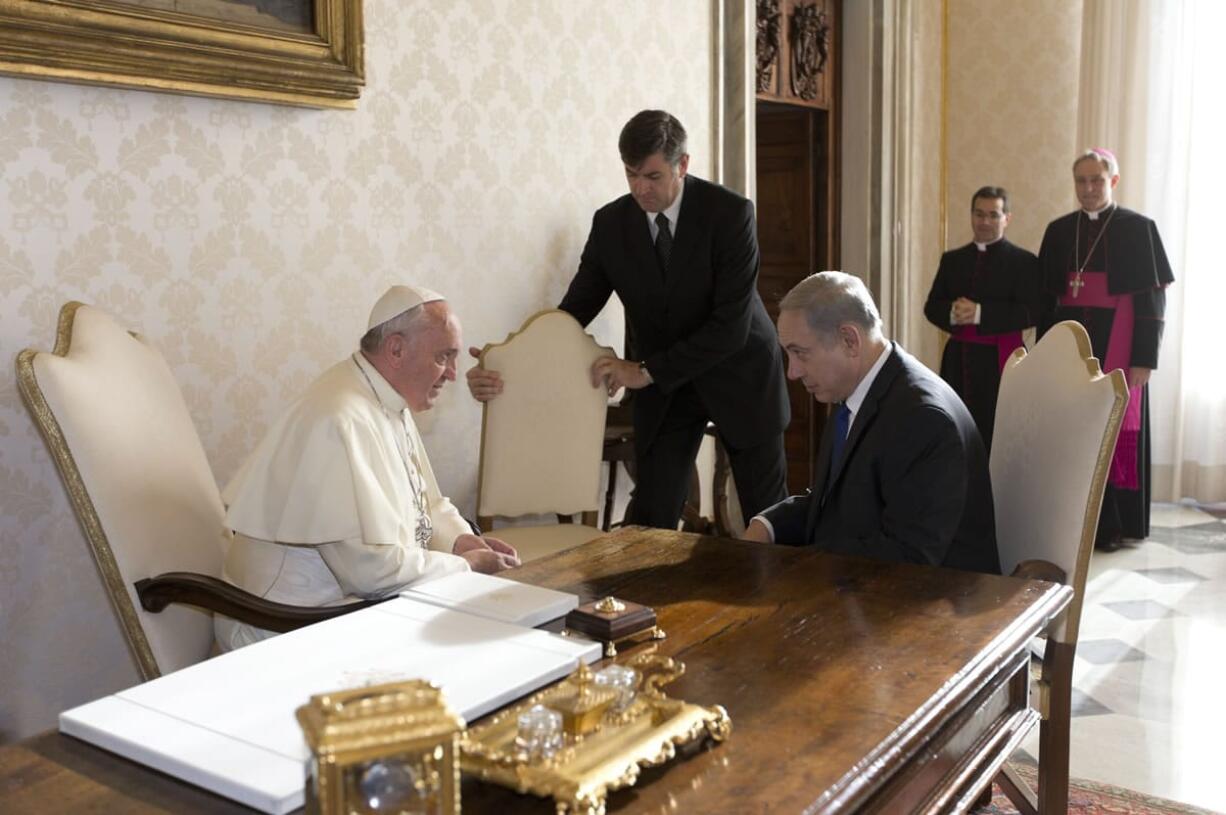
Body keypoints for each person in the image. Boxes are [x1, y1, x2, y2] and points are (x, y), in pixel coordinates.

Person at [467, 110, 789, 529]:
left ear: (683, 165)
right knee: (651, 514)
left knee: (768, 517)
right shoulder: (611, 225)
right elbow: (572, 313)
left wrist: (644, 370)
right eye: (631, 174)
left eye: (652, 177)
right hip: (667, 388)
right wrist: (508, 361)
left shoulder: (730, 215)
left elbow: (730, 327)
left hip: (739, 373)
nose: (640, 189)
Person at [216, 285, 520, 651]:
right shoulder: (339, 418)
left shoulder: (386, 399)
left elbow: (426, 503)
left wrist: (460, 540)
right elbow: (372, 573)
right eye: (444, 357)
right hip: (283, 629)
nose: (454, 374)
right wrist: (467, 567)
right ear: (396, 349)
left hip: (342, 612)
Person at [743, 271, 999, 574]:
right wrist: (767, 526)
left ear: (850, 340)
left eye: (800, 354)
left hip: (936, 604)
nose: (792, 372)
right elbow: (835, 502)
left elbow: (906, 557)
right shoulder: (858, 392)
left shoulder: (922, 419)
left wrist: (794, 567)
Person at [1038, 148, 1174, 551]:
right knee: (1076, 428)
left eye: (1097, 180)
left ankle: (1114, 524)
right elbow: (1047, 300)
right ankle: (1072, 518)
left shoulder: (1138, 228)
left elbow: (1152, 303)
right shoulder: (1060, 230)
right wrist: (1046, 356)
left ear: (1113, 181)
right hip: (1074, 339)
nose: (1089, 189)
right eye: (1081, 181)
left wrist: (1144, 359)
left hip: (1121, 338)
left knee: (1113, 430)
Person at [923, 186, 1040, 451]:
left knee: (999, 434)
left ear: (1007, 218)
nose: (985, 221)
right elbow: (931, 307)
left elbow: (1033, 311)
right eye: (979, 214)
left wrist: (980, 313)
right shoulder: (952, 259)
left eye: (993, 215)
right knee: (954, 430)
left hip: (1002, 361)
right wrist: (954, 312)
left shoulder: (1024, 262)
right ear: (971, 215)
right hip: (958, 359)